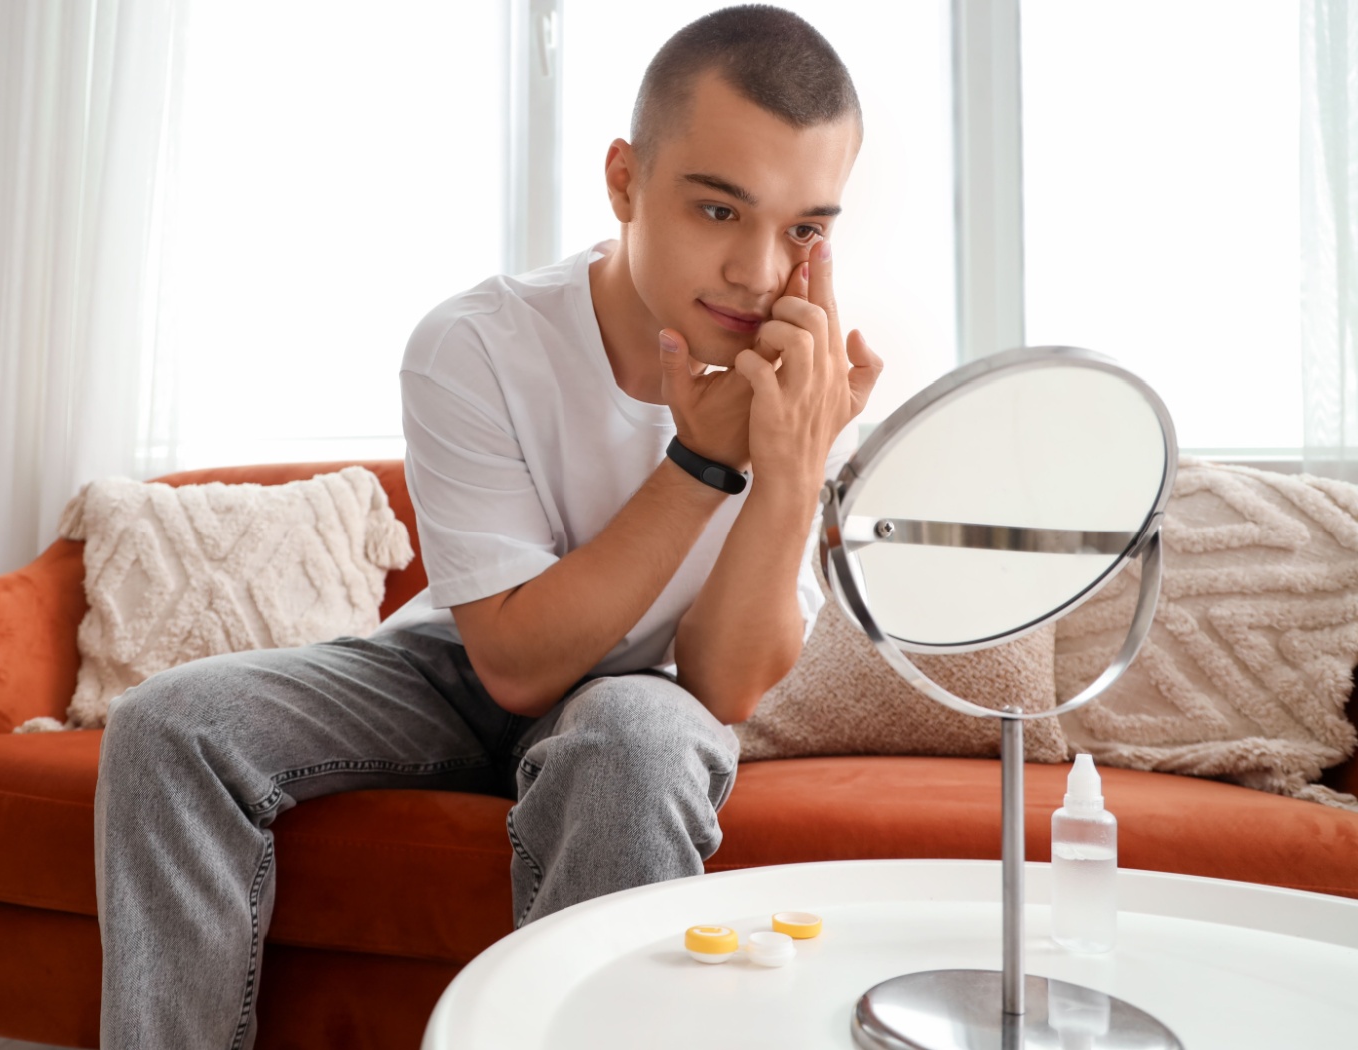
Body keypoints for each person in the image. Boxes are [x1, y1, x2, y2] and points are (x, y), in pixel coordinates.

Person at [93, 5, 883, 1048]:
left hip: (651, 697)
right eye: (720, 212)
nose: (757, 274)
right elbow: (510, 663)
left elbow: (725, 687)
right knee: (167, 725)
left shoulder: (803, 375)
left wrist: (786, 469)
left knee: (632, 738)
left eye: (804, 230)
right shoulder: (476, 342)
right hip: (457, 665)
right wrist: (700, 464)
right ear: (624, 182)